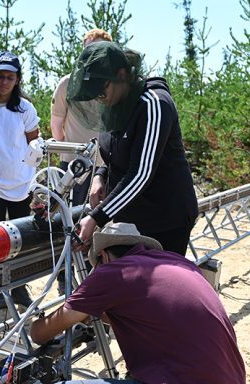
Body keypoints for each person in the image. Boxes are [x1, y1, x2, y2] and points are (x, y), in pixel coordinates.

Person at [30, 222, 248, 384]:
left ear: (104, 256)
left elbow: (40, 334)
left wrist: (34, 324)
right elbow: (142, 313)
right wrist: (91, 310)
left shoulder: (112, 272)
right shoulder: (175, 262)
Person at [68, 41, 199, 256]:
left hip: (165, 219)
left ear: (121, 75)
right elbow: (115, 153)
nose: (100, 98)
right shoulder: (115, 105)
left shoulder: (154, 104)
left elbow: (140, 173)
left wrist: (96, 217)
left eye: (103, 90)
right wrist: (100, 175)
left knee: (157, 284)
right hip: (130, 216)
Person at [0, 52, 40, 309]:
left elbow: (34, 141)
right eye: (0, 76)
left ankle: (19, 288)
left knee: (21, 240)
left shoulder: (26, 108)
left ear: (17, 80)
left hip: (21, 185)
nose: (4, 82)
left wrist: (31, 173)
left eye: (10, 77)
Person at [50, 28, 112, 207]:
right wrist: (69, 149)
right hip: (73, 166)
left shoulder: (114, 87)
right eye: (88, 50)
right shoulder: (67, 84)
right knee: (69, 221)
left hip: (105, 168)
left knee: (101, 221)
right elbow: (56, 126)